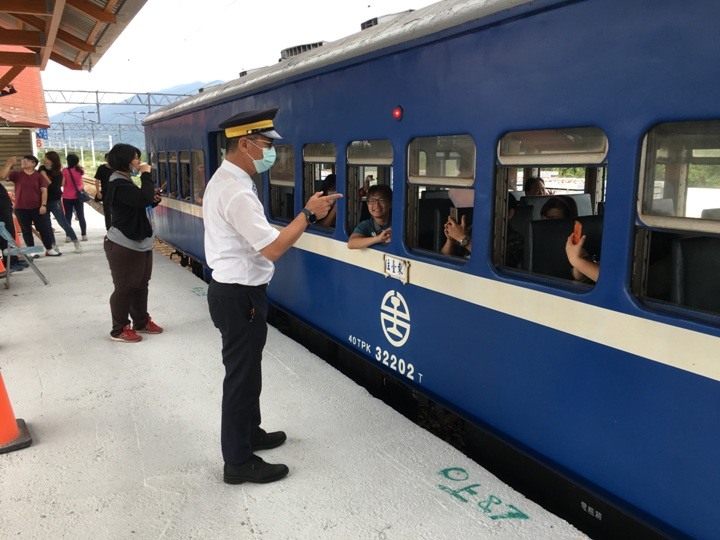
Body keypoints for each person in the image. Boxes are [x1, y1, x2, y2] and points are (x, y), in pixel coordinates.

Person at [204, 107, 341, 485]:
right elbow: (273, 249)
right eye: (266, 145)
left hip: (237, 292)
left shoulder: (230, 181)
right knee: (241, 377)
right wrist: (309, 215)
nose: (271, 154)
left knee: (249, 370)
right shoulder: (235, 192)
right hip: (240, 295)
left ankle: (251, 433)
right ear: (244, 144)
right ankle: (238, 461)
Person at [103, 144, 163, 343]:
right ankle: (119, 329)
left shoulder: (125, 182)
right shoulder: (118, 183)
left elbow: (138, 203)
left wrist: (151, 199)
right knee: (125, 287)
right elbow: (140, 198)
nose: (139, 162)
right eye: (136, 158)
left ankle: (141, 321)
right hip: (124, 244)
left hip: (139, 242)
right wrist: (146, 175)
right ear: (125, 160)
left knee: (141, 285)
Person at [1, 155, 61, 257]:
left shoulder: (39, 176)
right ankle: (31, 251)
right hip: (21, 208)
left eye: (27, 161)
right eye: (23, 160)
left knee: (44, 229)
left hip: (37, 207)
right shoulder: (16, 174)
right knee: (26, 231)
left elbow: (44, 191)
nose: (24, 162)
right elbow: (3, 176)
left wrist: (43, 205)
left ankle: (49, 249)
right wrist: (10, 164)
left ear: (34, 164)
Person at [39, 151, 82, 254]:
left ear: (53, 161)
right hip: (43, 201)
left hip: (55, 200)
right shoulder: (41, 168)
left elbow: (55, 188)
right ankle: (53, 246)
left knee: (63, 222)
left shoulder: (58, 172)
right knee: (47, 224)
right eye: (45, 158)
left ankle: (76, 242)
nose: (45, 160)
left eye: (47, 159)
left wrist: (44, 176)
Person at [347, 184, 392, 249]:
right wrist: (378, 239)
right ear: (367, 204)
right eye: (372, 201)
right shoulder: (366, 225)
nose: (376, 204)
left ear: (390, 203)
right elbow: (351, 244)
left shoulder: (398, 223)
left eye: (381, 200)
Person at [62, 154, 88, 241]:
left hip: (67, 197)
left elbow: (63, 183)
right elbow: (81, 182)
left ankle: (68, 236)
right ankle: (84, 235)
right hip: (78, 196)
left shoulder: (65, 171)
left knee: (68, 217)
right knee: (81, 216)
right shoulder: (80, 171)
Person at [94, 153, 113, 230]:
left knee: (116, 211)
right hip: (105, 193)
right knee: (107, 211)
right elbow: (97, 180)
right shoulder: (101, 168)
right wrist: (98, 192)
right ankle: (108, 228)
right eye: (108, 158)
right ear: (105, 159)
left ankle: (116, 228)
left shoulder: (116, 168)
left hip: (116, 192)